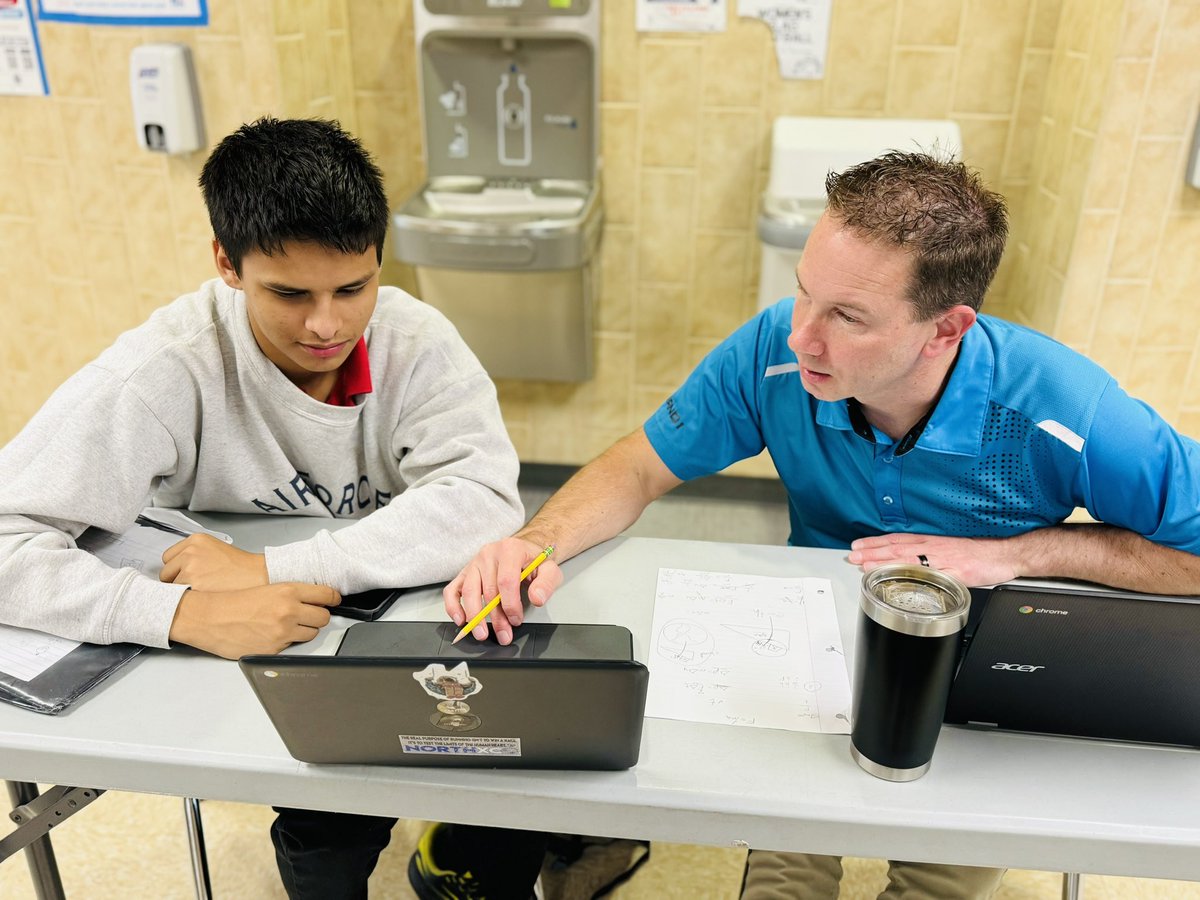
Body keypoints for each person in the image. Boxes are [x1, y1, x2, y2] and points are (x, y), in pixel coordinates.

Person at [437, 150, 1200, 899]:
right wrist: (534, 543)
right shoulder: (778, 350)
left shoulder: (1066, 408)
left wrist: (1019, 554)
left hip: (986, 668)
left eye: (847, 316)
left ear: (946, 328)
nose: (803, 335)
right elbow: (638, 466)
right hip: (810, 648)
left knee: (939, 871)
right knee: (785, 875)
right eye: (806, 293)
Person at [0, 116, 549, 899]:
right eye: (289, 294)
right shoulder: (164, 368)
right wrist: (180, 613)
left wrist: (270, 566)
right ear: (227, 263)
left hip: (400, 628)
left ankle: (459, 858)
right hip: (260, 661)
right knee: (322, 828)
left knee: (516, 774)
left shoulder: (417, 341)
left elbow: (484, 500)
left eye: (353, 288)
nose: (326, 324)